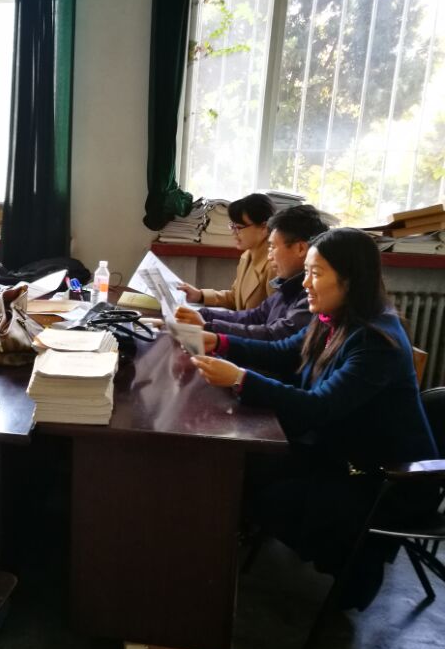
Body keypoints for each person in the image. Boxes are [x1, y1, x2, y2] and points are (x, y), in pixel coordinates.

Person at [190, 228, 438, 609]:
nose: (305, 283)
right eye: (306, 271)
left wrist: (239, 378)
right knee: (244, 466)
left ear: (350, 279)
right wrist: (220, 342)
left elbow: (318, 407)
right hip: (345, 453)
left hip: (386, 478)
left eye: (316, 273)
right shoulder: (332, 317)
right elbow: (284, 351)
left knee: (264, 492)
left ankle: (357, 573)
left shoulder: (375, 341)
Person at [174, 204, 328, 341]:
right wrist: (202, 314)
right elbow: (255, 316)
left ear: (300, 248)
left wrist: (209, 327)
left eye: (273, 247)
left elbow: (274, 335)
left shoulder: (311, 294)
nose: (269, 256)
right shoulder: (286, 281)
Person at [178, 193, 277, 310]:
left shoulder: (274, 266)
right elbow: (234, 298)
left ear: (264, 228)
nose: (234, 233)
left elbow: (275, 316)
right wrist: (200, 295)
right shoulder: (247, 256)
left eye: (239, 227)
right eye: (233, 226)